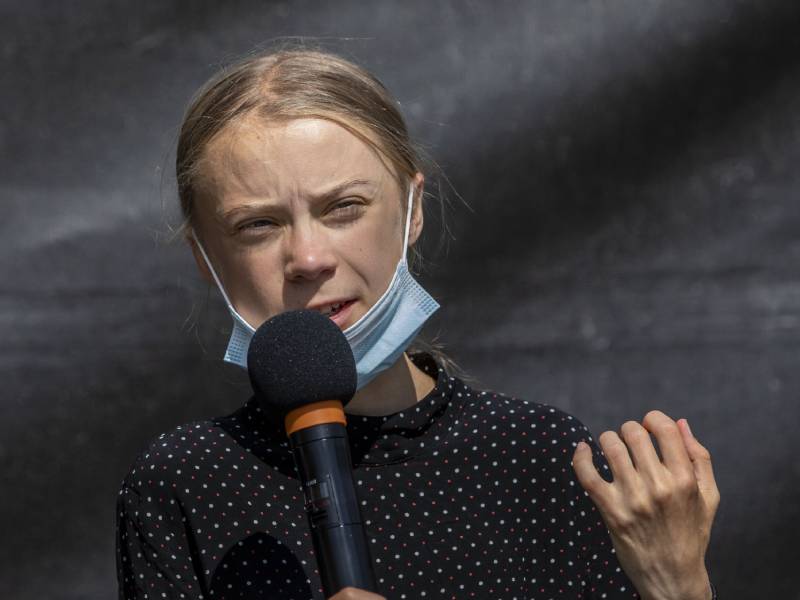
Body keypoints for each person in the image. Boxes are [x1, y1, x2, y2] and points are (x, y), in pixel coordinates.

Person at [116, 47, 720, 600]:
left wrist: (679, 587)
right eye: (259, 225)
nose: (307, 258)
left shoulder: (538, 458)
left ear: (412, 210)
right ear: (204, 255)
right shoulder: (184, 483)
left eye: (343, 208)